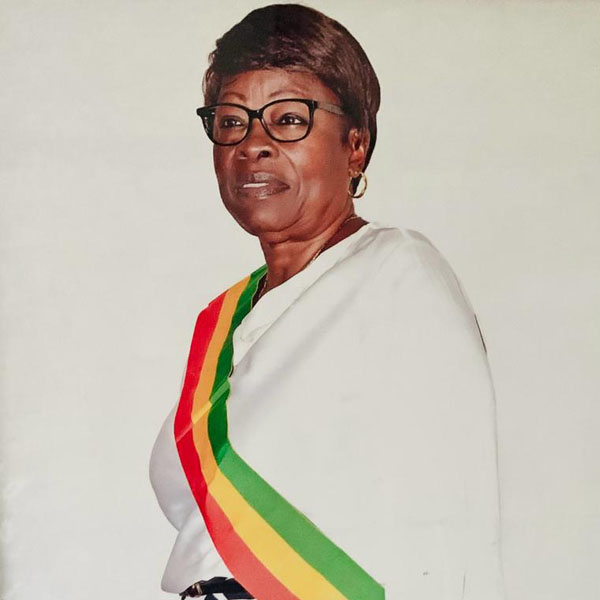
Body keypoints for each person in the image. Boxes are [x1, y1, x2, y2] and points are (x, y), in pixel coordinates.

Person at [150, 4, 504, 600]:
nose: (253, 145)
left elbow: (453, 517)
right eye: (232, 121)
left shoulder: (397, 275)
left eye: (289, 119)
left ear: (355, 145)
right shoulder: (224, 319)